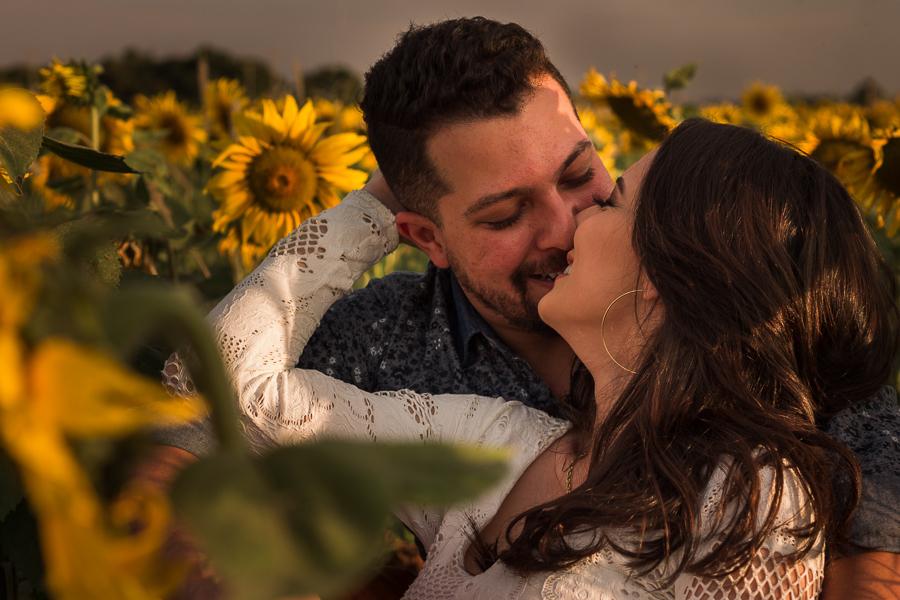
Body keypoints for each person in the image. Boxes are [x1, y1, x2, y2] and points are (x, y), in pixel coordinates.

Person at [149, 17, 900, 598]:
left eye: (590, 181)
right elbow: (220, 397)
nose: (568, 225)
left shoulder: (751, 492)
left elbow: (877, 507)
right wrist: (366, 213)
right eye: (504, 215)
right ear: (426, 237)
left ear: (668, 278)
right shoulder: (492, 434)